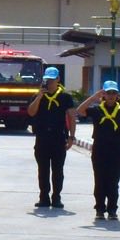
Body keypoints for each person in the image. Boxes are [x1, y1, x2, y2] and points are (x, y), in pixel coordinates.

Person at [77, 80, 120, 219]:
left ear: (117, 95)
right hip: (100, 149)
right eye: (108, 93)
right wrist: (93, 97)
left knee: (113, 182)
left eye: (114, 93)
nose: (111, 96)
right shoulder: (97, 110)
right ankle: (100, 209)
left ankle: (112, 209)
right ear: (104, 95)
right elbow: (80, 111)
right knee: (100, 181)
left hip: (116, 149)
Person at [25, 68, 75, 209]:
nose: (50, 82)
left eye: (52, 79)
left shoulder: (65, 97)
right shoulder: (38, 96)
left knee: (58, 170)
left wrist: (71, 137)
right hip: (42, 138)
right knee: (43, 169)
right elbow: (31, 112)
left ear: (58, 79)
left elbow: (72, 117)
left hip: (58, 137)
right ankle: (44, 197)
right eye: (48, 79)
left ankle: (56, 197)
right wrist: (39, 96)